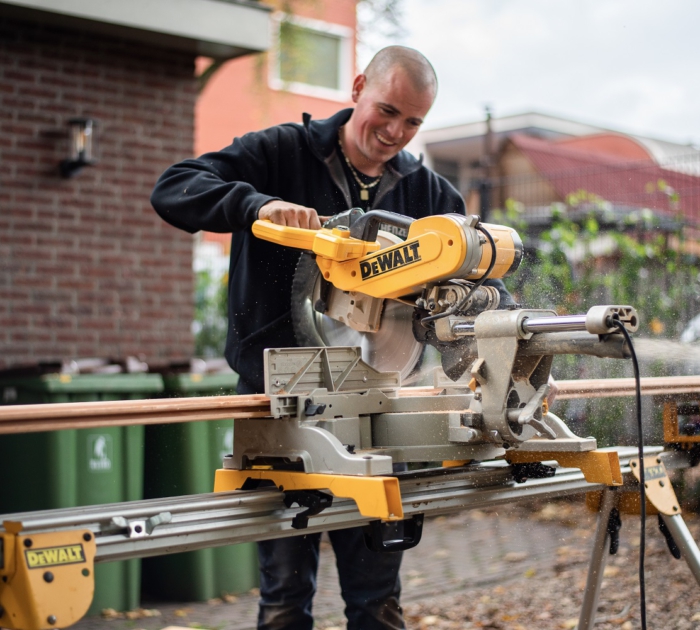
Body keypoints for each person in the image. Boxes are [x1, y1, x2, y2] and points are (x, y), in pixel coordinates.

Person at [151, 46, 510, 630]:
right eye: (386, 110)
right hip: (281, 404)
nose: (395, 132)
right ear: (357, 87)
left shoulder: (430, 198)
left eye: (413, 122)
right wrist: (255, 203)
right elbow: (174, 187)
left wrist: (491, 335)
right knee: (284, 601)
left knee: (377, 604)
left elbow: (469, 292)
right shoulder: (279, 154)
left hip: (384, 412)